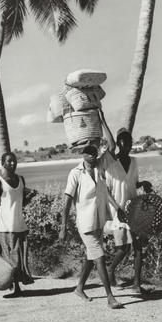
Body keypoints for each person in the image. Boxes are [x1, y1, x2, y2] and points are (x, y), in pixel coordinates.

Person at [59, 133, 123, 310]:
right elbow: (68, 201)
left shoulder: (99, 167)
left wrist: (118, 208)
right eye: (88, 152)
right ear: (82, 154)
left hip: (99, 220)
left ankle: (79, 288)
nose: (92, 155)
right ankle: (110, 297)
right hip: (85, 224)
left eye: (93, 151)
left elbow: (111, 145)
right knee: (100, 256)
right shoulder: (76, 173)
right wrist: (63, 226)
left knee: (91, 256)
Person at [102, 125, 152, 294]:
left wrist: (143, 184)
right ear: (118, 142)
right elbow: (106, 190)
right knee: (123, 248)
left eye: (129, 140)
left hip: (133, 208)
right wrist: (117, 208)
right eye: (123, 140)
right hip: (119, 211)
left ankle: (137, 283)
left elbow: (133, 183)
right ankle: (110, 270)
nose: (127, 144)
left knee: (138, 247)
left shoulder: (134, 161)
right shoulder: (110, 163)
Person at [0, 152, 35, 297]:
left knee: (21, 258)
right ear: (2, 163)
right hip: (5, 227)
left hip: (20, 225)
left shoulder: (21, 180)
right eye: (9, 161)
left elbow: (21, 202)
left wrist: (31, 196)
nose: (12, 164)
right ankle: (14, 287)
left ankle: (16, 287)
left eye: (14, 161)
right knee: (11, 260)